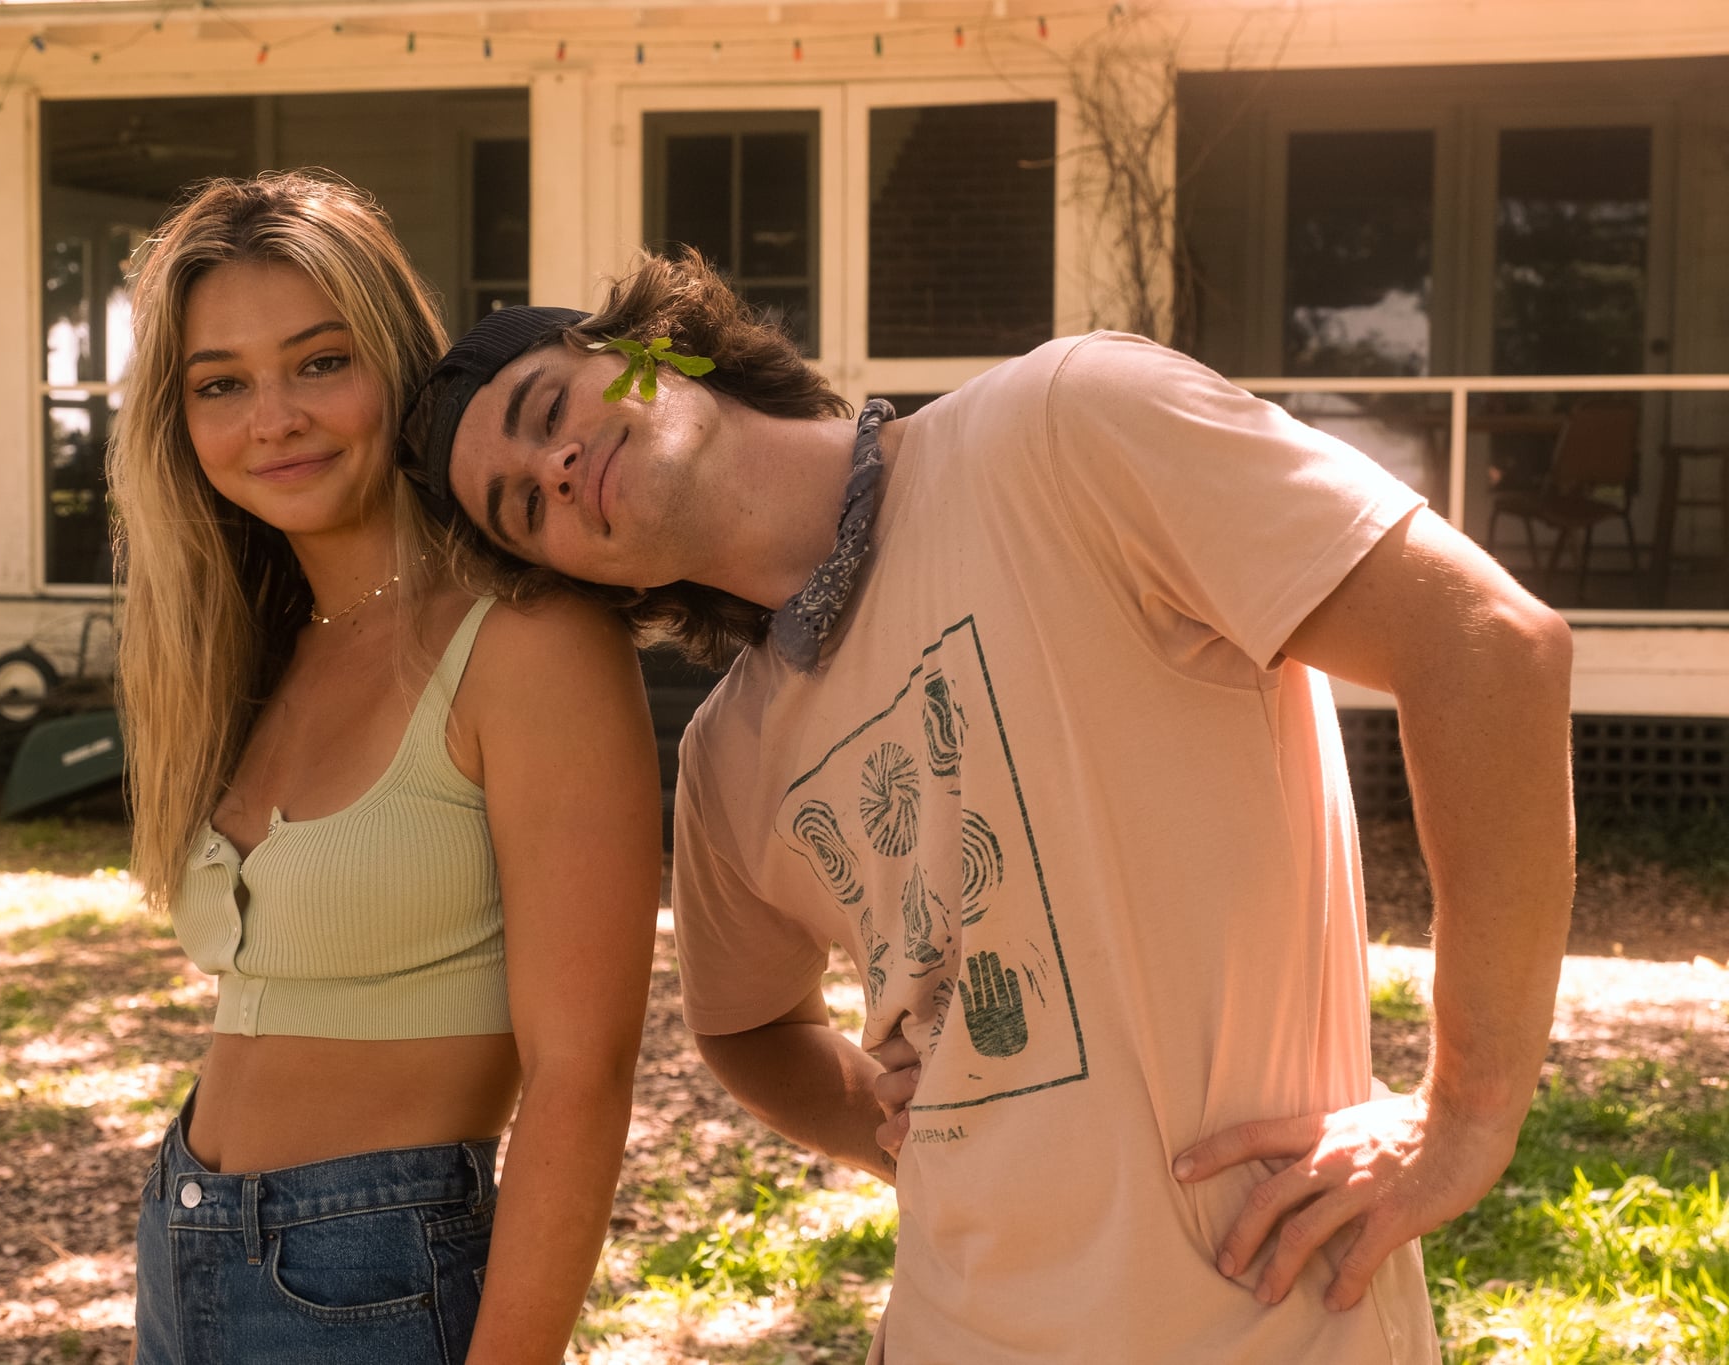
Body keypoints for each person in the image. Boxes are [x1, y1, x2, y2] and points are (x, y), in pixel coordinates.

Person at [397, 251, 1576, 1362]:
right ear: (588, 577)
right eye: (519, 510)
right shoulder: (725, 763)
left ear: (655, 348)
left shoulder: (1068, 426)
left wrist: (1463, 1113)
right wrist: (878, 1119)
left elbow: (1483, 646)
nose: (549, 469)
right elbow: (744, 1027)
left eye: (548, 409)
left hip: (1268, 1312)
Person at [109, 172, 662, 1364]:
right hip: (186, 1239)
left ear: (396, 363)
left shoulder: (525, 641)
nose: (275, 418)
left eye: (319, 362)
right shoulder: (253, 654)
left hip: (370, 1274)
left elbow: (583, 1070)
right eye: (221, 385)